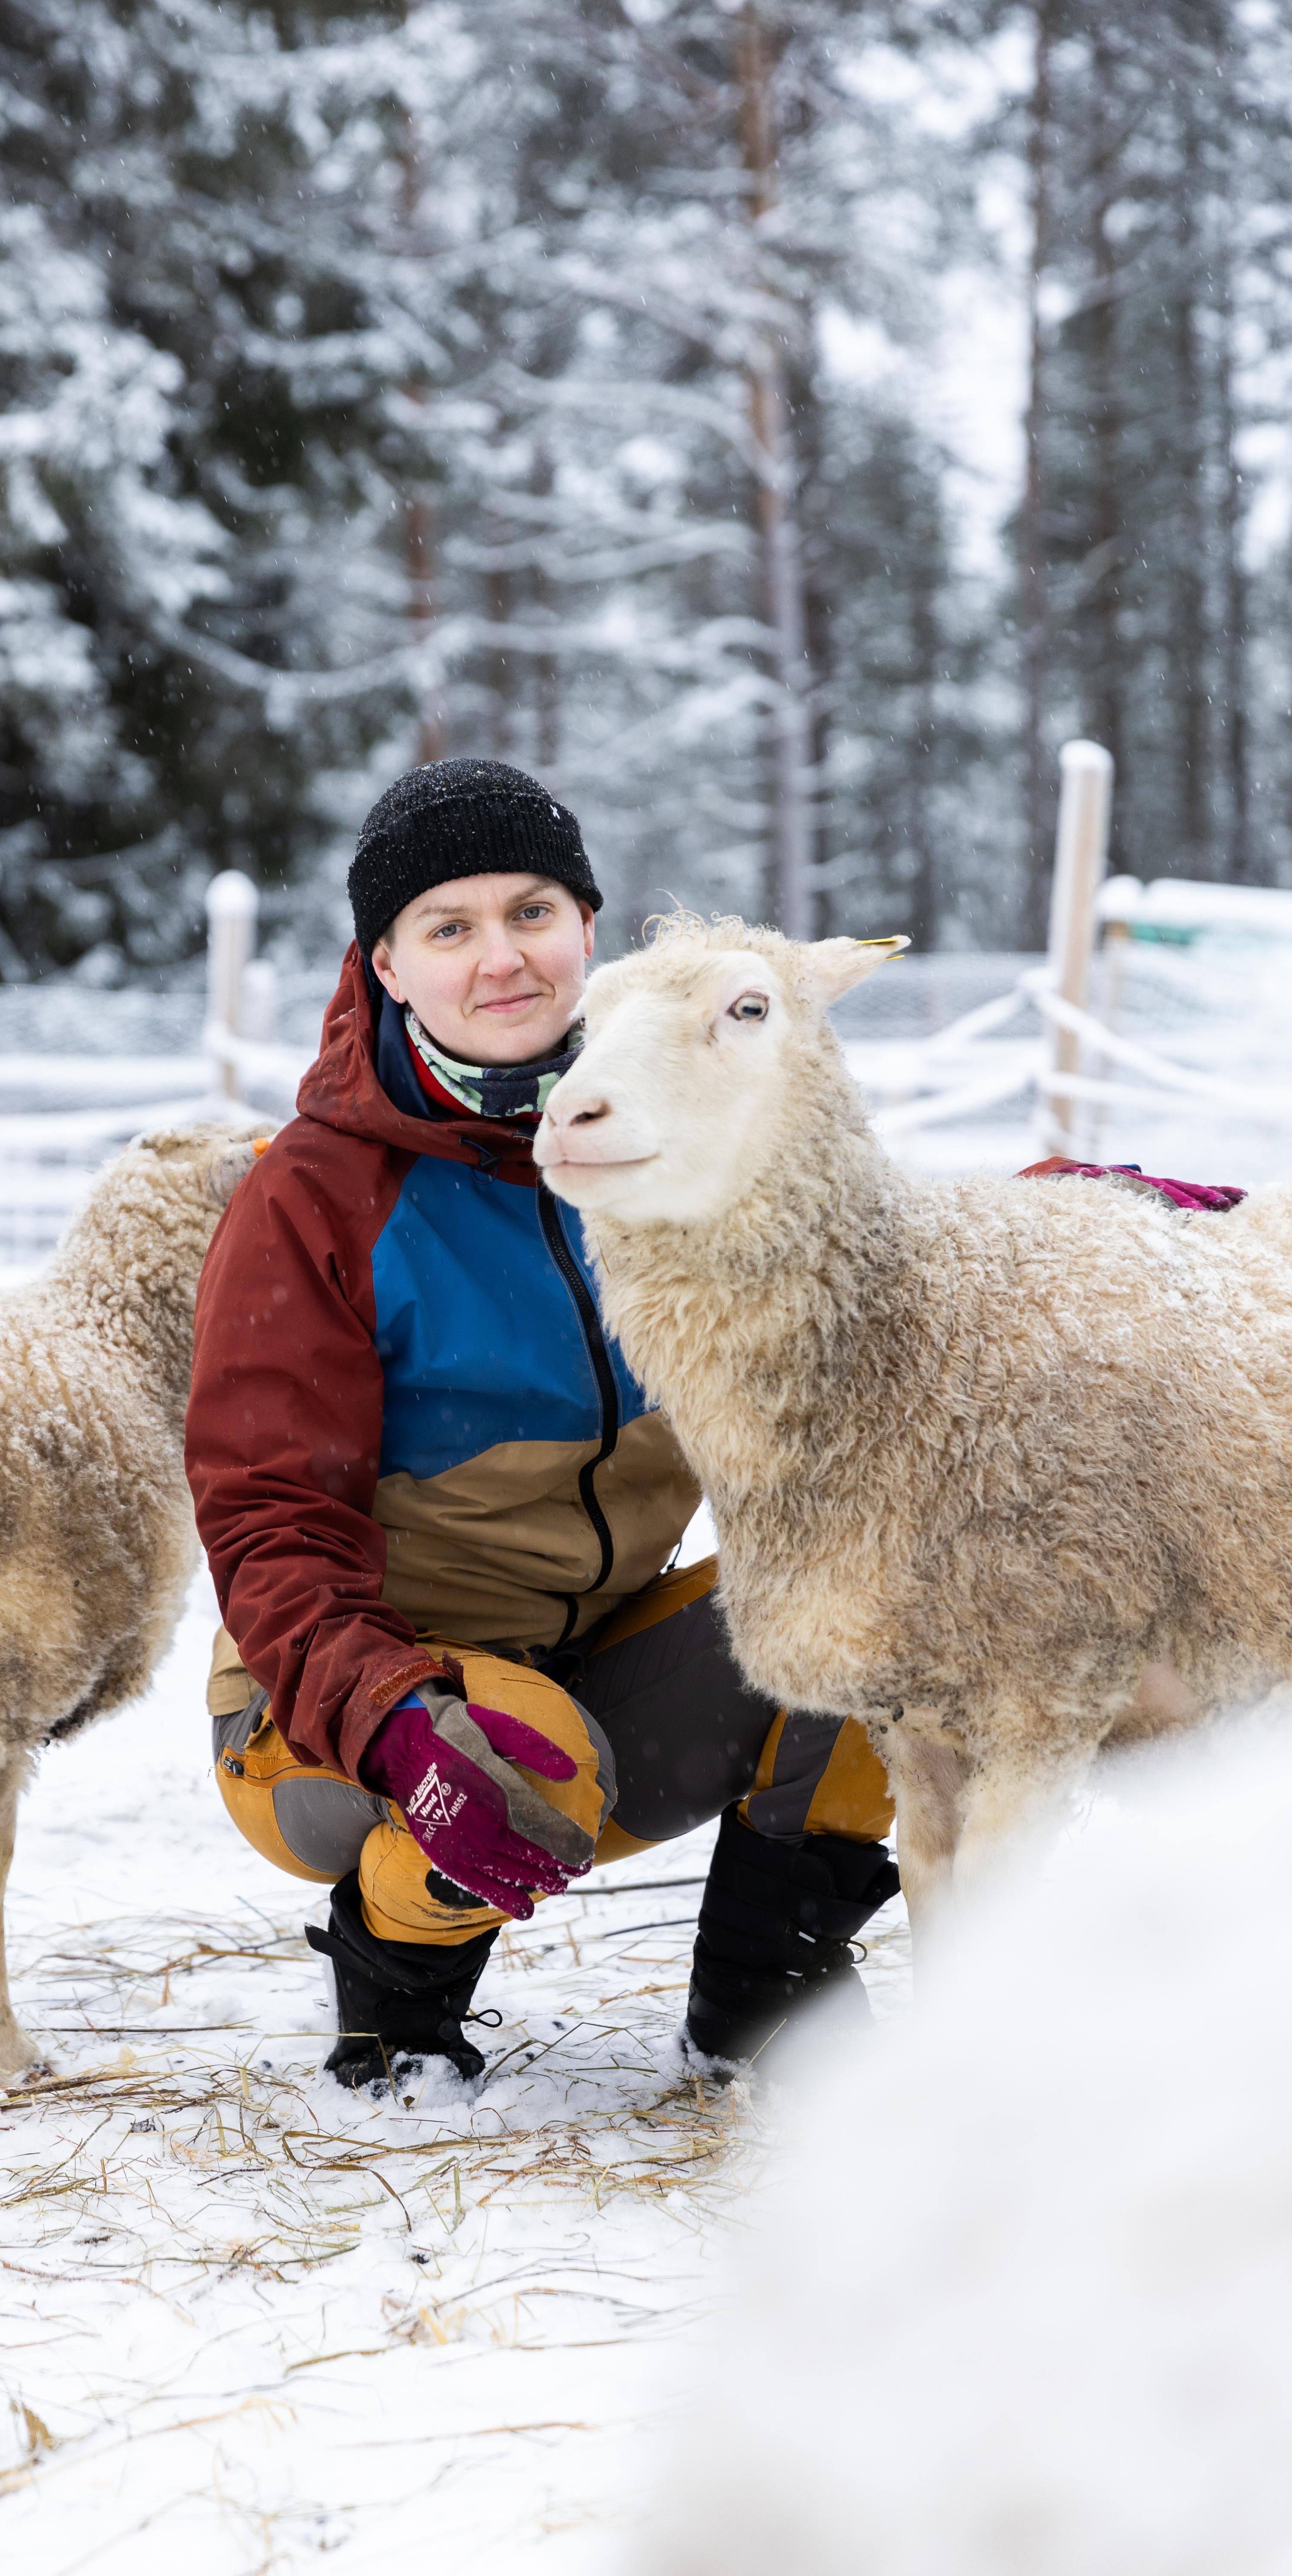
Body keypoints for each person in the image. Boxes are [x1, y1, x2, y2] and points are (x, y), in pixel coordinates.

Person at [184, 759, 899, 2091]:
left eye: (532, 912)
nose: (500, 958)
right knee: (522, 1753)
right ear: (387, 966)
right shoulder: (316, 1200)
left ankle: (766, 1992)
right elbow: (269, 1528)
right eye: (447, 928)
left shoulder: (676, 1145)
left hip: (595, 1655)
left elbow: (870, 1266)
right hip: (340, 1711)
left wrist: (1072, 1223)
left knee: (889, 1607)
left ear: (588, 929)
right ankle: (395, 2002)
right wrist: (392, 1714)